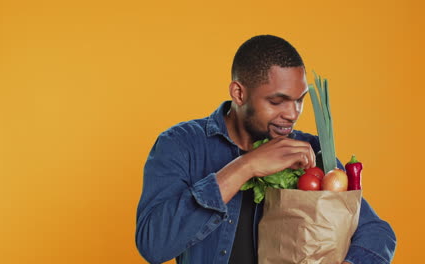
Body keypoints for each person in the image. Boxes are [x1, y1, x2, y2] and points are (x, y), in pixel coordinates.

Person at [135, 35, 396, 264]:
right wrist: (246, 166)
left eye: (299, 100)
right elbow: (153, 246)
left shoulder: (311, 151)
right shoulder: (181, 144)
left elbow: (377, 232)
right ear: (238, 93)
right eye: (277, 101)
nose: (293, 114)